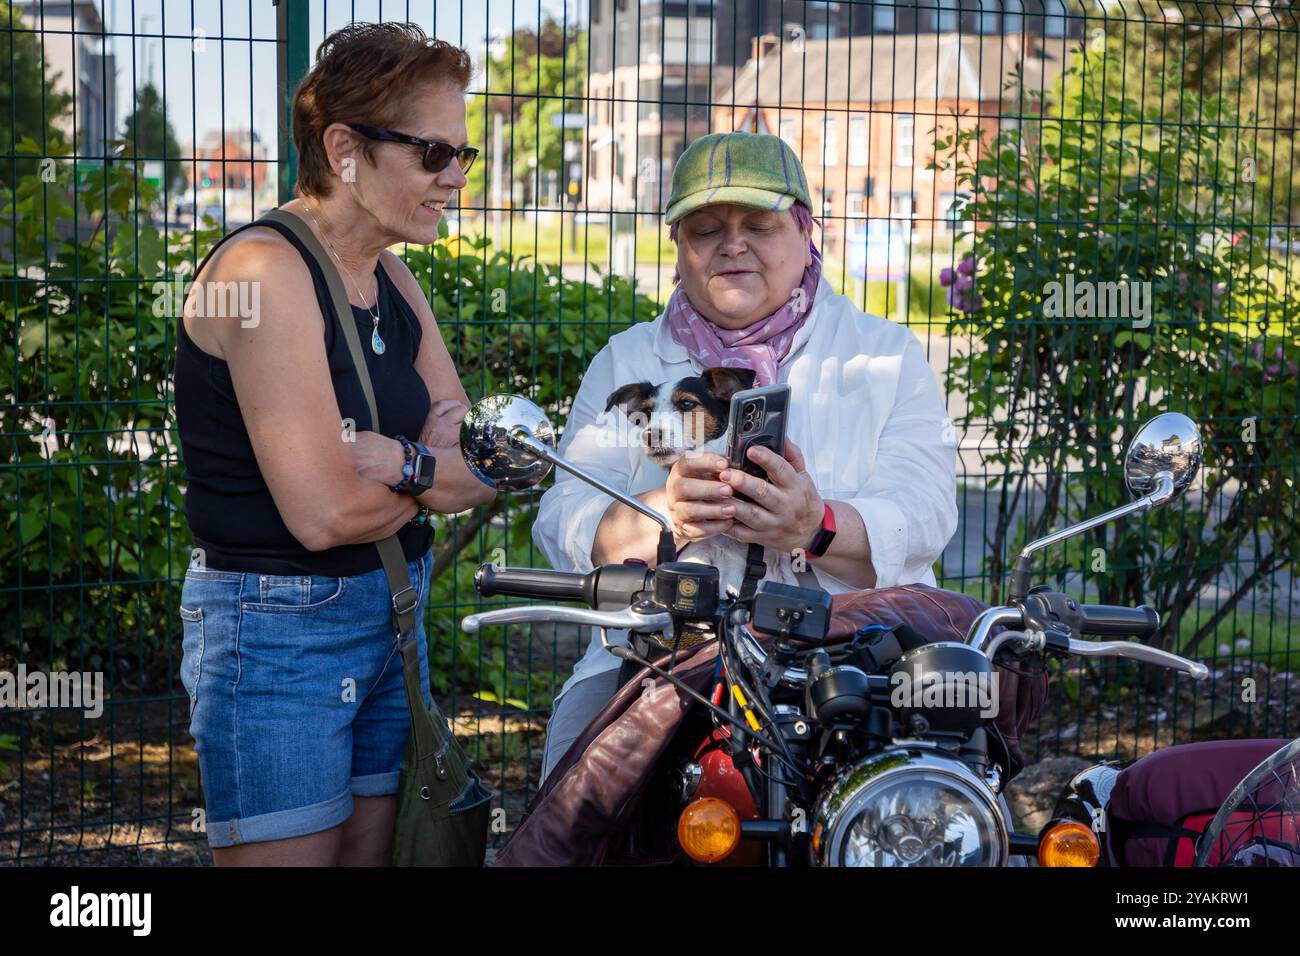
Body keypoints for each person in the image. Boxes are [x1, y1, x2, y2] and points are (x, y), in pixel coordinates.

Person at [531, 130, 958, 782]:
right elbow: (563, 518)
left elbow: (926, 511)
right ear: (676, 248)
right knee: (576, 790)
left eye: (758, 223)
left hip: (854, 648)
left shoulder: (884, 356)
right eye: (705, 229)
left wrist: (815, 525)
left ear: (805, 228)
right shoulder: (627, 361)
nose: (733, 245)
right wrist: (662, 516)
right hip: (665, 653)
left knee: (933, 799)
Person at [173, 23, 494, 865]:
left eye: (464, 154)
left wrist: (410, 463)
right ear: (345, 148)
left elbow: (477, 459)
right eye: (432, 153)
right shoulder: (263, 274)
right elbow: (322, 511)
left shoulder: (390, 274)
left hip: (390, 613)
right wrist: (436, 467)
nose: (454, 178)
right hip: (279, 631)